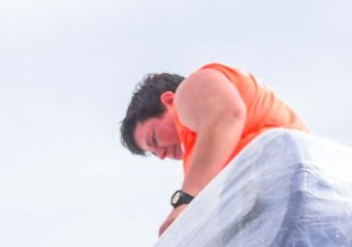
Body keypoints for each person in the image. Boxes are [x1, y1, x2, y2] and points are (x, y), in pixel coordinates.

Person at [118, 65, 307, 234]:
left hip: (295, 188)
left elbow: (228, 113)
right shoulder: (203, 163)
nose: (161, 154)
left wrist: (186, 200)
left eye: (154, 140)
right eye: (154, 154)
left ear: (168, 101)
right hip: (283, 217)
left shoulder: (191, 88)